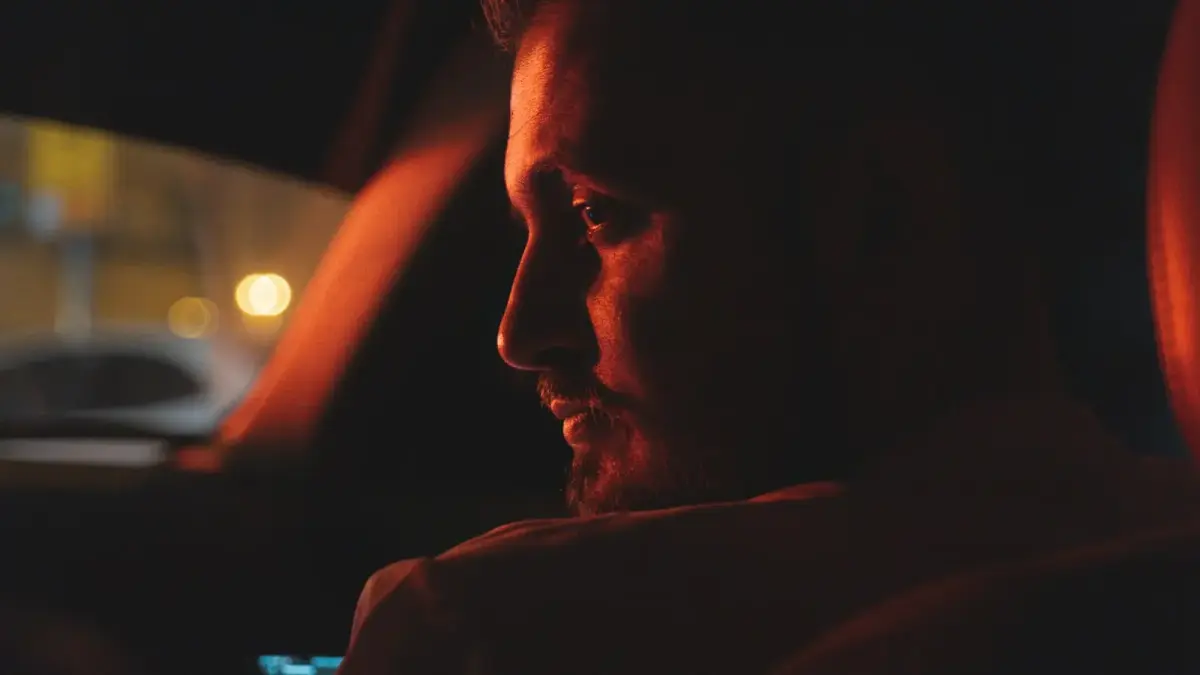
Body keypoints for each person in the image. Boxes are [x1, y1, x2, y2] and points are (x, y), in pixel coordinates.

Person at [338, 2, 1200, 673]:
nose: (520, 333)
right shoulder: (1158, 566)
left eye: (596, 213)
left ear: (876, 215)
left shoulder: (496, 631)